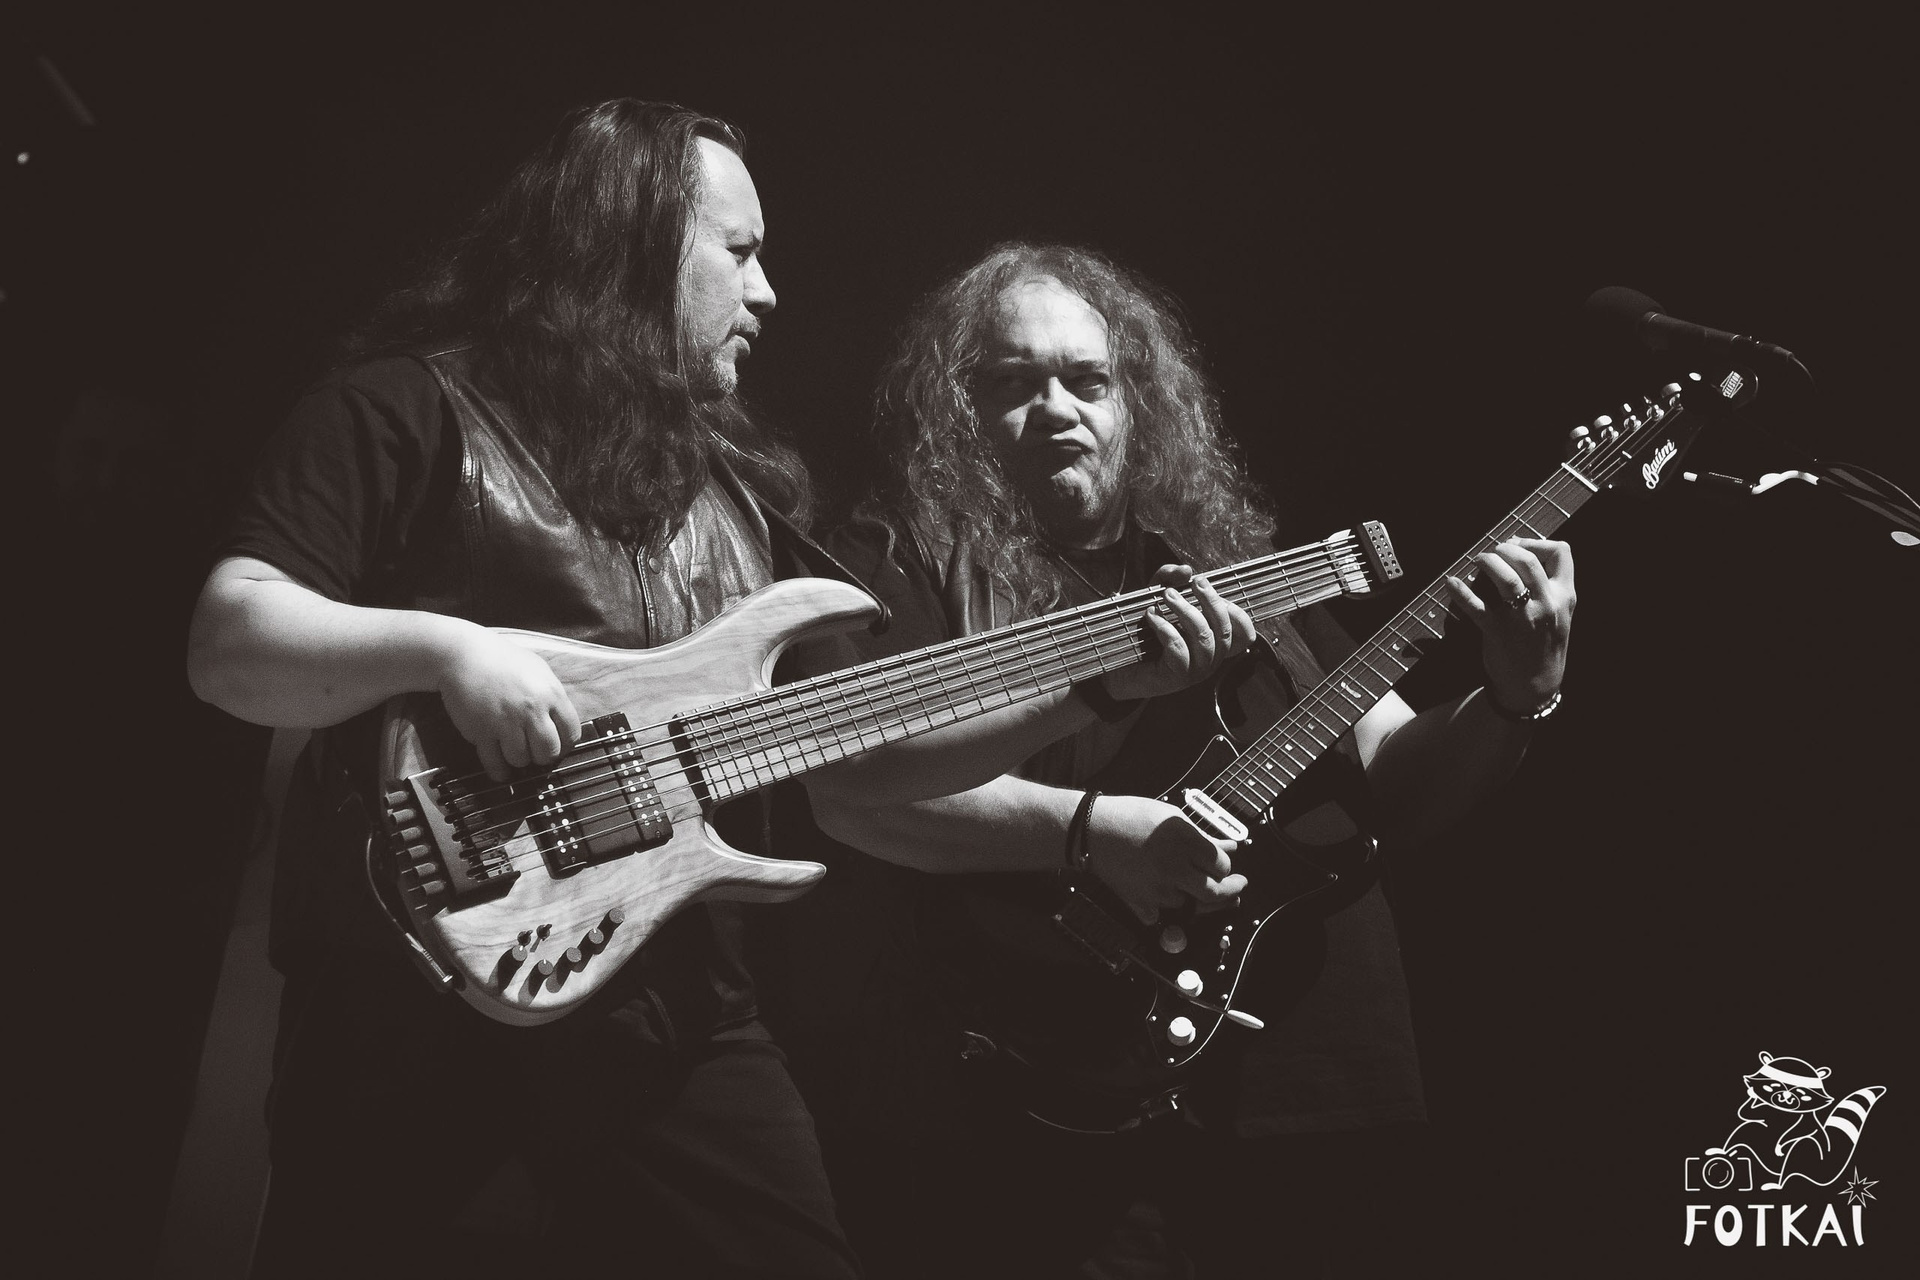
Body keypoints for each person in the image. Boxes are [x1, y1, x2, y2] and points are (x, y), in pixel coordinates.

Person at [186, 106, 1247, 1279]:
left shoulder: (736, 500)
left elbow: (862, 767)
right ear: (634, 244)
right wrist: (448, 652)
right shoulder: (410, 408)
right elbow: (232, 641)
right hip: (408, 995)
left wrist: (1093, 688)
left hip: (671, 1008)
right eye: (739, 251)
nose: (768, 291)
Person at [770, 242, 1576, 1277]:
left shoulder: (1230, 563)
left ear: (1136, 402)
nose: (1057, 409)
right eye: (1013, 384)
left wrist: (1514, 696)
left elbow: (1396, 777)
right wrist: (1097, 833)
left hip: (1308, 1074)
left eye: (1088, 380)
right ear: (955, 412)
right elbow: (854, 790)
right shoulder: (898, 561)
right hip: (1054, 1081)